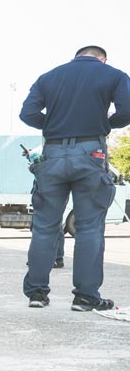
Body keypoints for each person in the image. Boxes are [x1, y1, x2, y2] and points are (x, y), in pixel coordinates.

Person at [19, 45, 130, 310]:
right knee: (89, 228)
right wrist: (103, 124)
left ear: (77, 56)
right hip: (90, 153)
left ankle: (36, 294)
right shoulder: (113, 75)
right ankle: (85, 297)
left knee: (45, 227)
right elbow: (126, 111)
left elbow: (28, 114)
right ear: (102, 59)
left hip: (53, 154)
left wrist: (56, 123)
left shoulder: (49, 77)